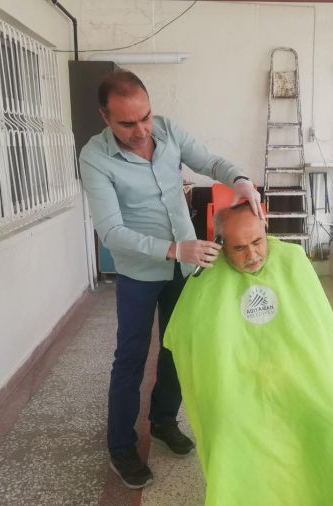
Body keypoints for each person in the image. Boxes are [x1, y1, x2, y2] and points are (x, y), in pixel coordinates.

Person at [78, 70, 263, 489]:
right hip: (139, 274)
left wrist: (240, 180)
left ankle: (163, 421)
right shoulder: (94, 158)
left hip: (185, 268)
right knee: (130, 358)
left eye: (145, 116)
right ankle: (120, 446)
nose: (141, 130)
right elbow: (111, 231)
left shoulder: (168, 131)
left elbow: (210, 162)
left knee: (178, 348)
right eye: (127, 123)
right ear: (105, 117)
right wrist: (174, 248)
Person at [163, 202, 333, 505]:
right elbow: (182, 334)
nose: (252, 255)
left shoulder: (293, 260)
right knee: (228, 421)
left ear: (266, 230)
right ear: (221, 244)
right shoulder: (208, 275)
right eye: (239, 248)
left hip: (297, 370)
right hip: (238, 376)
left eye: (257, 242)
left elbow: (320, 326)